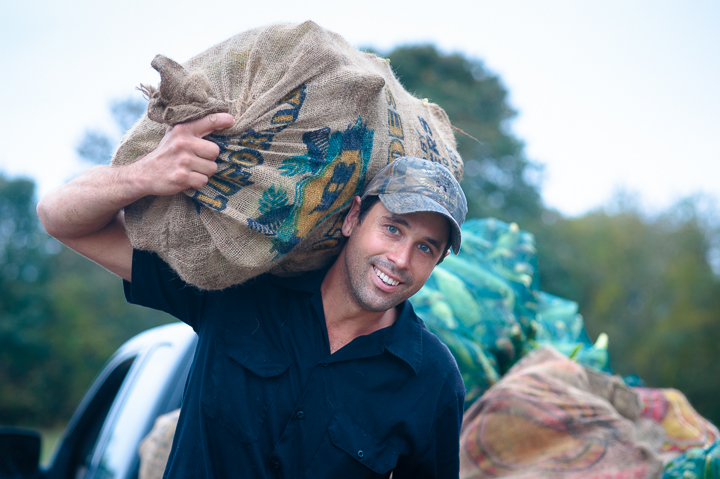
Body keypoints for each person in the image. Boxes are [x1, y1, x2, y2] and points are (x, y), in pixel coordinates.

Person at [37, 113, 468, 479]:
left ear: (438, 261)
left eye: (426, 247)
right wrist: (143, 174)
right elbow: (60, 219)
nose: (400, 258)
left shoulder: (433, 379)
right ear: (353, 217)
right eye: (393, 228)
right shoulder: (240, 287)